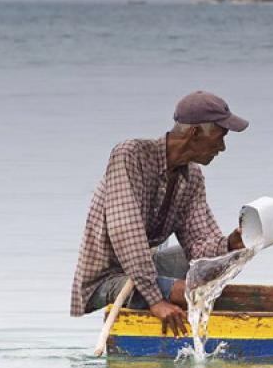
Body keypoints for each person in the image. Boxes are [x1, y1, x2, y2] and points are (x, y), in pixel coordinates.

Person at [70, 91, 249, 337]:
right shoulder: (131, 154)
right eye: (220, 137)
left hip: (145, 269)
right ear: (195, 133)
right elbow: (126, 233)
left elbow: (199, 246)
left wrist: (230, 244)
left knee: (215, 272)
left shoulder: (192, 177)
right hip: (106, 276)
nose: (222, 147)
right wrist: (156, 300)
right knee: (182, 293)